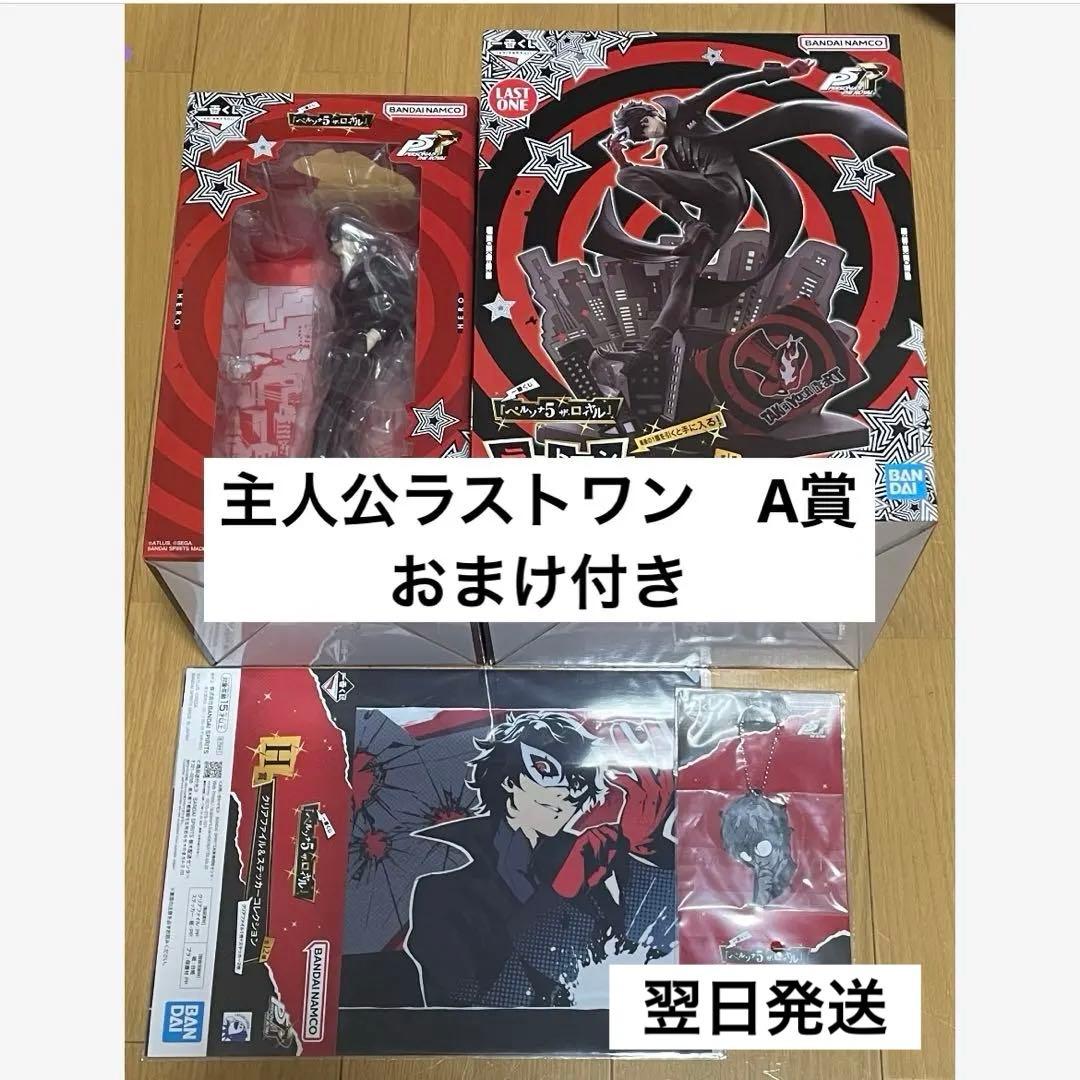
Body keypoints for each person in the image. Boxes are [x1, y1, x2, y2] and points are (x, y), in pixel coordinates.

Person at [589, 57, 906, 363]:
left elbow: (726, 84)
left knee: (628, 176)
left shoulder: (687, 112)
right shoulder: (670, 157)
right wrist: (622, 160)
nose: (648, 134)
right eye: (642, 136)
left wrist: (783, 72)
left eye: (646, 126)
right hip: (716, 214)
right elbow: (671, 189)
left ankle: (688, 226)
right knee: (684, 275)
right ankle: (648, 349)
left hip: (726, 190)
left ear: (653, 113)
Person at [405, 710, 675, 1007]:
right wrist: (557, 895)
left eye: (578, 779)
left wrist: (645, 850)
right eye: (546, 770)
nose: (567, 791)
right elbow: (464, 1006)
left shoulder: (589, 859)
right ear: (507, 778)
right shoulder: (444, 882)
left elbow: (651, 952)